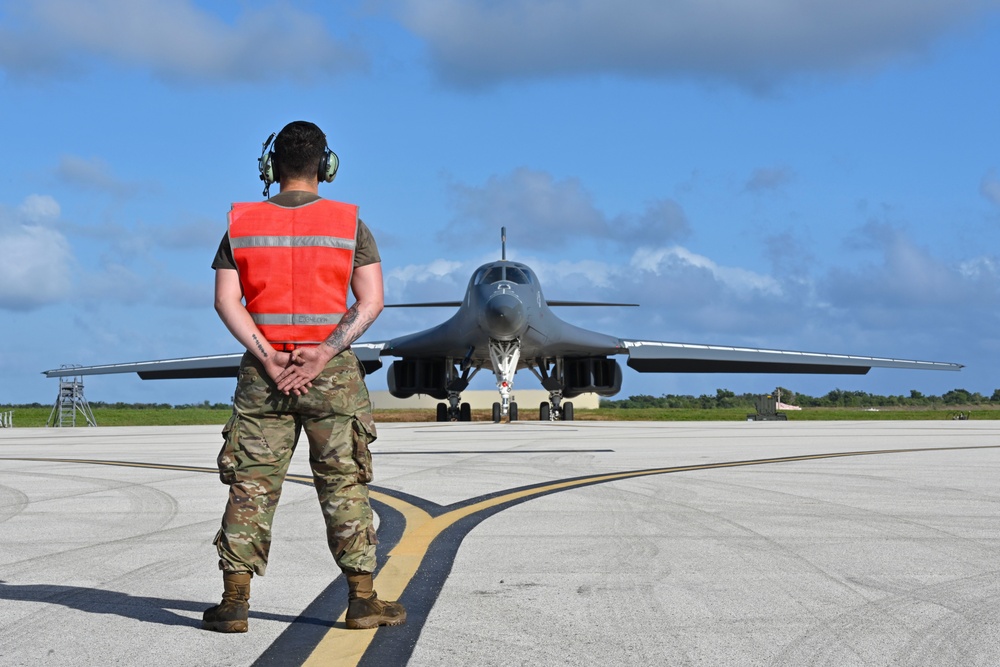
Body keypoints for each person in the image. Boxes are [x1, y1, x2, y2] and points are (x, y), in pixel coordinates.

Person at [202, 120, 405, 633]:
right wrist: (322, 353)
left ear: (271, 167)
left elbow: (227, 300)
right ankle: (362, 600)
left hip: (262, 377)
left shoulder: (241, 224)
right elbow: (371, 301)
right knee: (344, 483)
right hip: (331, 376)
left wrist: (270, 357)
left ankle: (234, 604)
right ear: (326, 165)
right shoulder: (349, 223)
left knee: (251, 485)